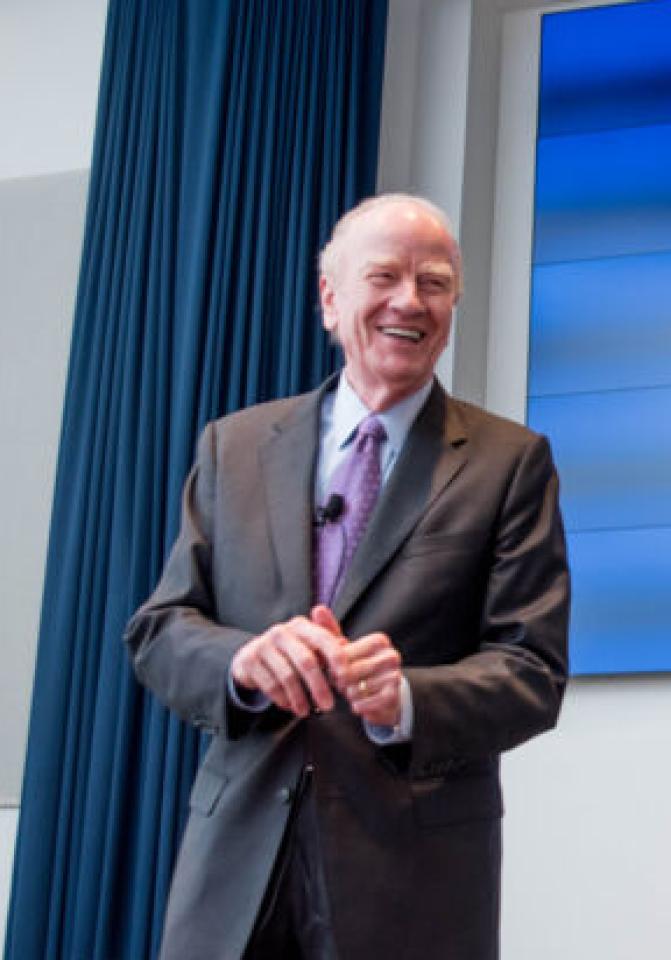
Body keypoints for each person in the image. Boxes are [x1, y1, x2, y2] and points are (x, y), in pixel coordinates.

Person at [124, 193, 570, 960]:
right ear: (331, 300)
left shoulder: (509, 463)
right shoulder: (234, 447)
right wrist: (241, 663)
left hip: (412, 877)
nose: (410, 301)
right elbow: (161, 630)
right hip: (236, 870)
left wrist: (405, 699)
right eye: (385, 276)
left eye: (434, 283)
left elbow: (532, 670)